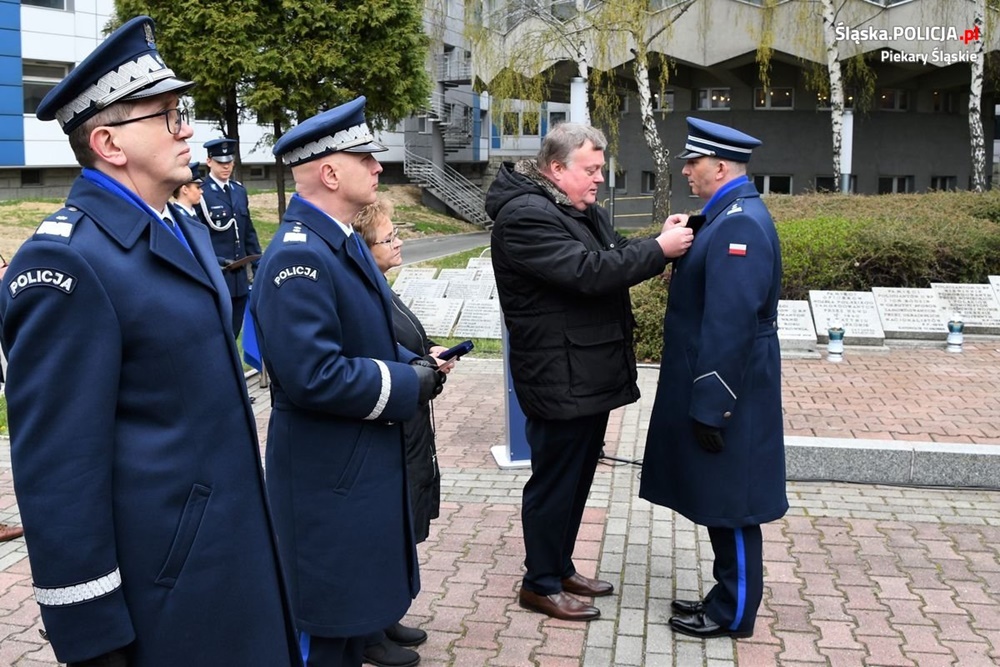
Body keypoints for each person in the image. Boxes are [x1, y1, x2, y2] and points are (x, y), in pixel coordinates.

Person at [0, 16, 301, 667]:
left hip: (227, 551)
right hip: (165, 586)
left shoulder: (180, 226)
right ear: (108, 142)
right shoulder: (68, 261)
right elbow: (59, 467)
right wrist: (91, 634)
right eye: (167, 115)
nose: (185, 129)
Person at [250, 96, 447, 667]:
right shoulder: (299, 257)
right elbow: (314, 375)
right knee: (325, 633)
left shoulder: (338, 241)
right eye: (365, 158)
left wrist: (414, 362)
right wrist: (408, 384)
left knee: (351, 614)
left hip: (352, 463)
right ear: (331, 174)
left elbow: (368, 336)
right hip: (327, 474)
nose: (378, 166)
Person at [486, 122, 694, 622]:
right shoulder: (525, 217)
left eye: (601, 168)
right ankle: (539, 583)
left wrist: (658, 239)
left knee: (577, 477)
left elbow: (614, 251)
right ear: (557, 169)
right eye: (592, 169)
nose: (600, 178)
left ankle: (559, 567)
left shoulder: (575, 209)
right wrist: (660, 250)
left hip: (583, 370)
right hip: (557, 373)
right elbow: (587, 272)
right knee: (555, 482)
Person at [639, 117, 787, 639]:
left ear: (720, 167)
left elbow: (730, 325)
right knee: (723, 497)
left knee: (735, 505)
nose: (686, 170)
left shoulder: (739, 225)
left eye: (694, 162)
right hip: (727, 386)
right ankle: (725, 596)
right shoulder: (727, 216)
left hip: (732, 391)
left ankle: (735, 612)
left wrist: (712, 406)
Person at [354, 198, 452, 667]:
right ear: (364, 247)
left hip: (409, 418)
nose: (398, 243)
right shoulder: (362, 292)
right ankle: (368, 632)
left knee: (403, 522)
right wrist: (420, 366)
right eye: (389, 238)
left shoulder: (381, 286)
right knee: (381, 530)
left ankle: (387, 613)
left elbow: (405, 336)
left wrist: (429, 351)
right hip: (391, 415)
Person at [201, 137, 262, 338]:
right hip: (217, 275)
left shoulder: (238, 191)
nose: (226, 166)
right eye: (220, 162)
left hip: (239, 279)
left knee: (234, 332)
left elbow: (248, 232)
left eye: (229, 162)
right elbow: (198, 237)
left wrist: (258, 264)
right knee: (216, 334)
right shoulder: (201, 194)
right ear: (209, 161)